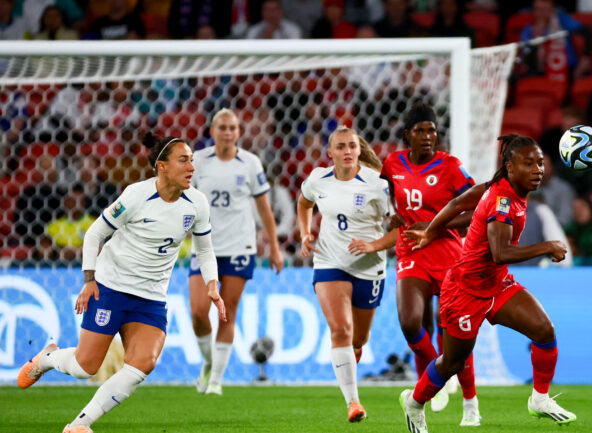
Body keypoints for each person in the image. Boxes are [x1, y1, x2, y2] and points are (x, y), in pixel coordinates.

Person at [16, 133, 226, 433]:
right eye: (184, 160)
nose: (192, 165)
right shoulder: (136, 196)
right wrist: (89, 280)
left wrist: (212, 284)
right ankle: (47, 357)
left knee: (144, 363)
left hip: (152, 296)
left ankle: (79, 425)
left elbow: (204, 249)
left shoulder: (197, 203)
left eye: (192, 159)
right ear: (161, 166)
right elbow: (94, 234)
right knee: (85, 366)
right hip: (112, 288)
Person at [399, 134, 575, 433]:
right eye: (528, 163)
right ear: (509, 166)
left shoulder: (498, 188)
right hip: (465, 291)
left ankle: (540, 399)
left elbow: (456, 203)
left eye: (540, 163)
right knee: (453, 363)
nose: (538, 169)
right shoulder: (502, 199)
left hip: (497, 284)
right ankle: (414, 403)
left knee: (544, 331)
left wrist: (431, 230)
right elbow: (500, 252)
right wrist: (546, 246)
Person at [379, 100, 480, 425]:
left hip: (450, 256)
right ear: (407, 134)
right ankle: (441, 370)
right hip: (412, 253)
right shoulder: (392, 163)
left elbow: (476, 210)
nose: (427, 136)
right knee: (412, 323)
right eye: (420, 130)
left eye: (432, 130)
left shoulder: (450, 166)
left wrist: (435, 226)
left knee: (456, 332)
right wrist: (388, 215)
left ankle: (470, 404)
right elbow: (380, 193)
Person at [297, 127, 393, 422]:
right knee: (340, 330)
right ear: (331, 153)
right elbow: (304, 203)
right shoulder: (318, 179)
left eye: (352, 146)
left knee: (358, 339)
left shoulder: (378, 185)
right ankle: (353, 403)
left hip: (369, 267)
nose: (347, 151)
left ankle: (353, 353)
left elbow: (403, 228)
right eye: (341, 147)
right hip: (329, 261)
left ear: (358, 150)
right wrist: (304, 233)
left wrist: (373, 245)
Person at [188, 108, 284, 395]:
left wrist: (275, 248)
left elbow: (264, 209)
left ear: (239, 132)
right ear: (213, 131)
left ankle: (216, 379)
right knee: (198, 312)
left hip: (240, 246)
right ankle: (209, 362)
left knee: (226, 312)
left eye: (232, 128)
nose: (228, 132)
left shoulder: (250, 163)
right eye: (222, 127)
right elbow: (185, 200)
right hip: (205, 246)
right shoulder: (199, 161)